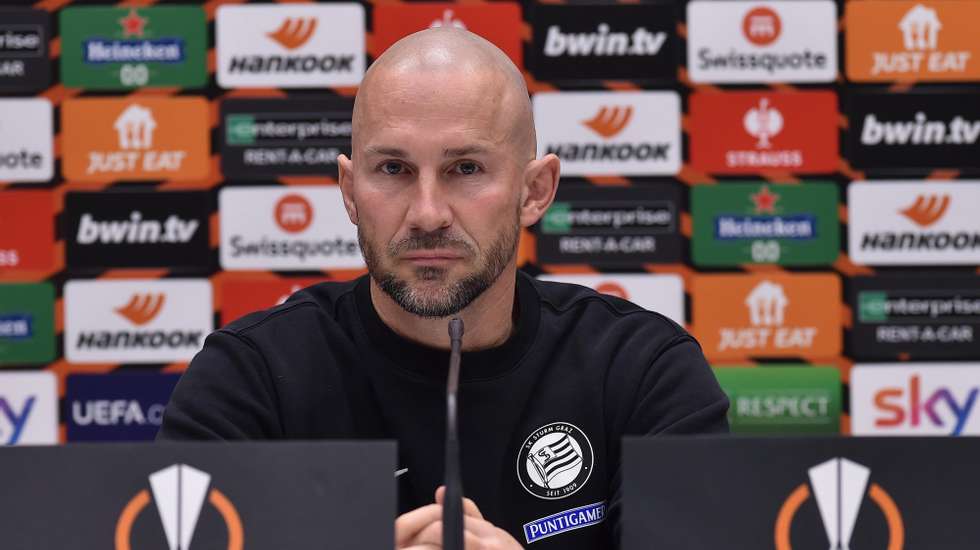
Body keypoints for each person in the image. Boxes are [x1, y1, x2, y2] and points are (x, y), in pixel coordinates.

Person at [159, 27, 729, 549]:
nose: (428, 214)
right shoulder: (252, 378)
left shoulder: (643, 370)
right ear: (350, 190)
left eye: (465, 169)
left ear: (535, 191)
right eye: (392, 170)